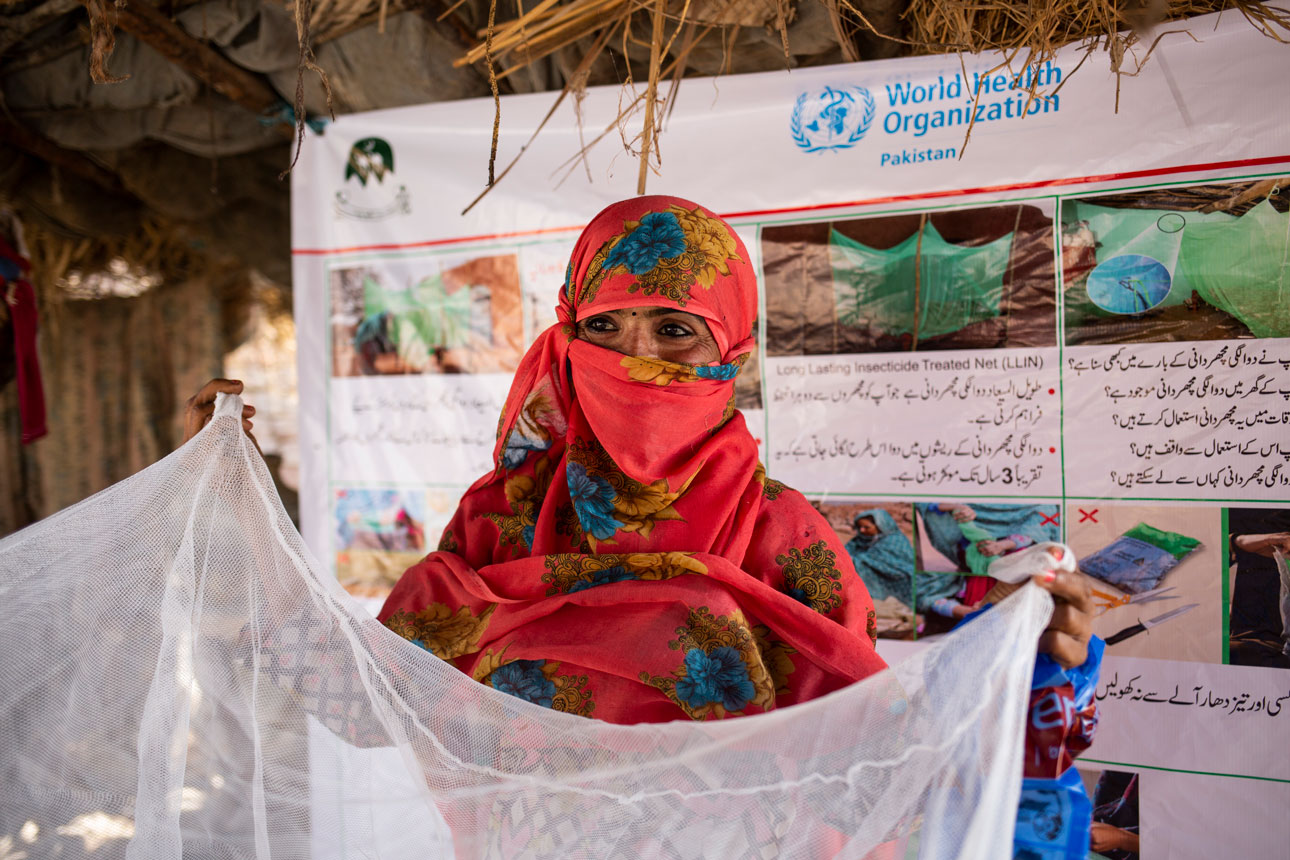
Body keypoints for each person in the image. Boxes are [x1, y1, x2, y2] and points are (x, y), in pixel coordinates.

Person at [183, 196, 1093, 725]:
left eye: (674, 330)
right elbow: (369, 699)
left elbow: (870, 745)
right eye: (605, 328)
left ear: (728, 352)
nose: (636, 358)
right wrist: (231, 498)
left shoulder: (783, 534)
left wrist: (1028, 659)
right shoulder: (499, 519)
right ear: (568, 335)